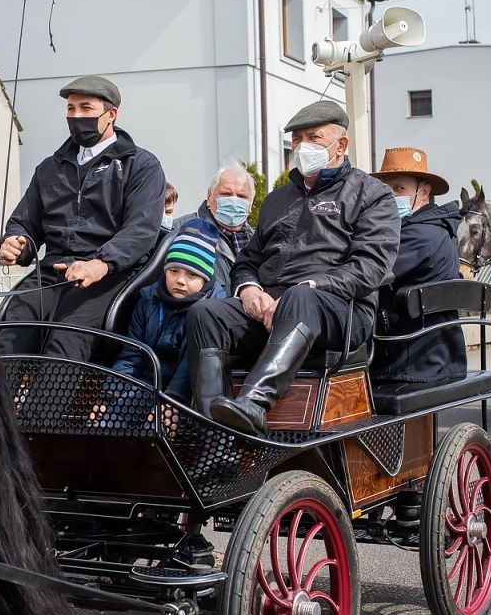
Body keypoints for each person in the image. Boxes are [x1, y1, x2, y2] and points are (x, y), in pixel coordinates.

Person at [183, 100, 398, 434]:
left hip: (342, 311)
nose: (302, 146)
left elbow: (370, 267)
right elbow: (248, 261)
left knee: (300, 297)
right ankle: (216, 433)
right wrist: (250, 289)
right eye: (297, 139)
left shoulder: (372, 194)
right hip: (273, 308)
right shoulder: (277, 198)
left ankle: (253, 405)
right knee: (205, 313)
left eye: (314, 137)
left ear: (341, 144)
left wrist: (310, 288)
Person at [0, 76, 167, 359]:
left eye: (86, 108)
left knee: (65, 344)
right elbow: (26, 221)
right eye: (71, 108)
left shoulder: (141, 166)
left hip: (110, 276)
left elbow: (142, 229)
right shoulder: (49, 168)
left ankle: (42, 406)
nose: (76, 116)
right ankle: (0, 405)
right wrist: (17, 242)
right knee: (9, 334)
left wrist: (101, 263)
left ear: (110, 114)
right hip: (51, 273)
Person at [371, 147, 466, 386]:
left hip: (413, 358)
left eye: (399, 188)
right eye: (386, 189)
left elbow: (370, 271)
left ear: (424, 193)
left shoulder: (422, 235)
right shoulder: (425, 228)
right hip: (419, 353)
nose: (391, 196)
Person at [107, 219, 227, 399]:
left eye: (192, 274)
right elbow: (131, 355)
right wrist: (111, 395)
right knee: (108, 423)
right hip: (144, 386)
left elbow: (193, 367)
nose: (180, 280)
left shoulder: (214, 310)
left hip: (186, 396)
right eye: (174, 271)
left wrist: (169, 405)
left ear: (206, 278)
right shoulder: (148, 300)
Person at [175, 165, 257, 292]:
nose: (234, 201)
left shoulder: (259, 240)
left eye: (241, 196)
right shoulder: (181, 230)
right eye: (226, 194)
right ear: (209, 197)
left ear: (251, 204)